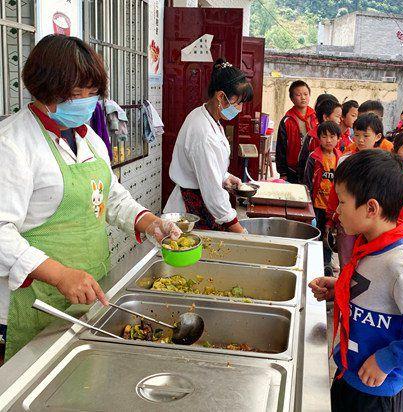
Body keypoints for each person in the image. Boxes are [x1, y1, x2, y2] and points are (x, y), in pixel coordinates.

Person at [0, 35, 182, 360]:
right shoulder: (13, 143)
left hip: (90, 287)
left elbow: (111, 197)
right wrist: (60, 274)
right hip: (37, 299)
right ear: (44, 88)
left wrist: (152, 222)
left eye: (92, 91)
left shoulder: (88, 137)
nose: (85, 101)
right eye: (74, 93)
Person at [309, 150, 403, 412]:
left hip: (376, 394)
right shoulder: (369, 246)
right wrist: (341, 287)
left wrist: (387, 359)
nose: (336, 210)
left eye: (343, 202)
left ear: (371, 208)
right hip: (350, 373)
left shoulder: (399, 265)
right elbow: (376, 289)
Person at [165, 58, 253, 232]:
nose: (240, 109)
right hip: (192, 210)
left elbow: (209, 166)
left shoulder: (208, 117)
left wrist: (225, 177)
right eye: (238, 102)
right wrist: (239, 230)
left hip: (201, 202)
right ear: (221, 96)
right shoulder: (202, 131)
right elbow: (213, 193)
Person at [326, 114, 385, 270]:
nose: (360, 140)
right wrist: (332, 216)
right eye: (357, 135)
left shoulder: (383, 164)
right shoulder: (344, 160)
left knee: (367, 264)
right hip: (347, 219)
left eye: (366, 136)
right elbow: (335, 191)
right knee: (346, 260)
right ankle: (344, 289)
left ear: (377, 136)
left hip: (370, 223)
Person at [304, 121, 342, 276]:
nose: (328, 140)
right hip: (317, 205)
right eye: (324, 136)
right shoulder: (314, 157)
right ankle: (313, 266)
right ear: (319, 138)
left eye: (332, 136)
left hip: (333, 207)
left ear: (339, 138)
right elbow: (306, 182)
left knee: (330, 237)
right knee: (316, 234)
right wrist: (308, 204)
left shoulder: (341, 158)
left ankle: (326, 266)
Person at [275, 80, 318, 183]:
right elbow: (281, 148)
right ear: (292, 98)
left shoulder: (316, 117)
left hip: (313, 166)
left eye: (305, 94)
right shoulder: (287, 120)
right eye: (298, 95)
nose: (303, 97)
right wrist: (283, 173)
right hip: (293, 170)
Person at [297, 98, 342, 180]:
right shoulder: (311, 137)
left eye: (332, 137)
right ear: (326, 117)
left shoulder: (339, 152)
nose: (340, 120)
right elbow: (303, 161)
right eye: (337, 116)